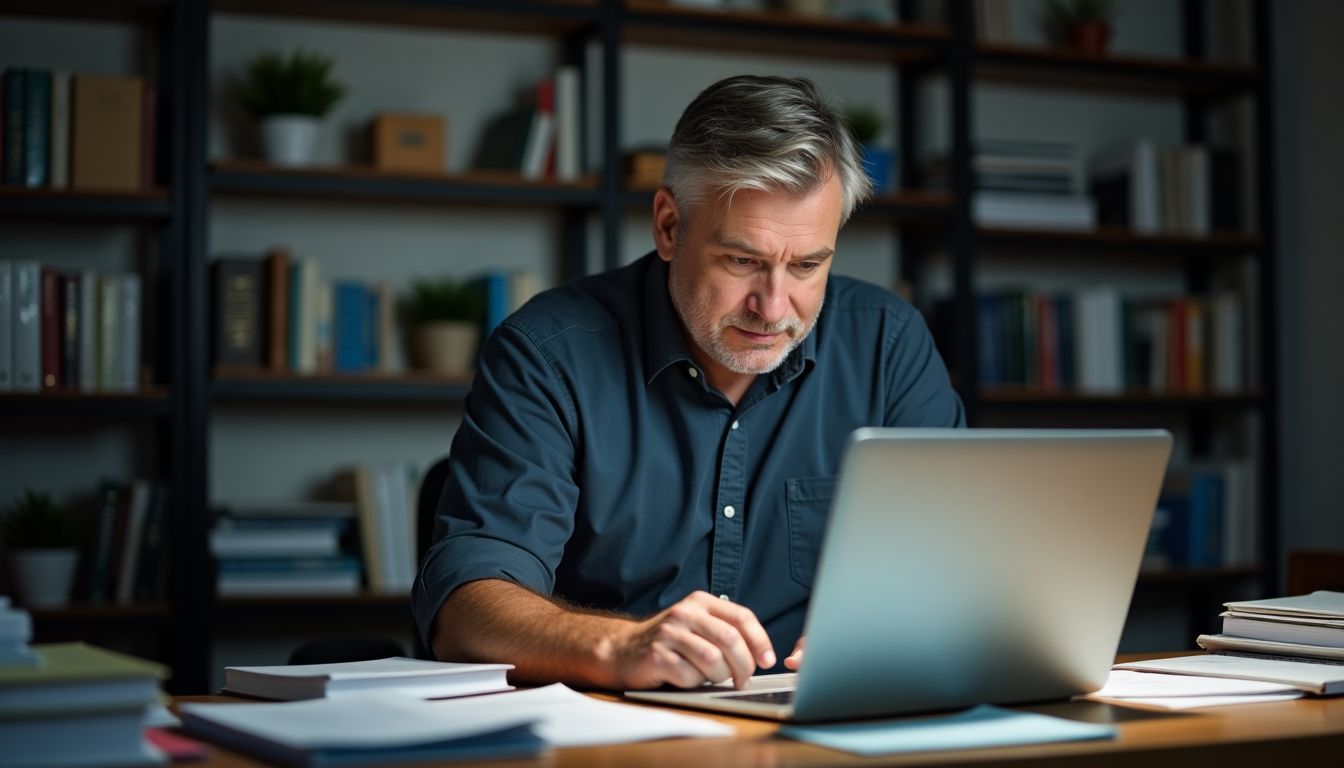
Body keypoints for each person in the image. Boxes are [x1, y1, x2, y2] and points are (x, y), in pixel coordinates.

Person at [412, 74, 964, 692]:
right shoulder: (547, 353)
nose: (774, 306)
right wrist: (619, 645)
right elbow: (465, 607)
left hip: (821, 725)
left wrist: (904, 630)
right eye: (743, 261)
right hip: (614, 730)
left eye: (808, 266)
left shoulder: (887, 344)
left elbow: (965, 560)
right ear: (669, 226)